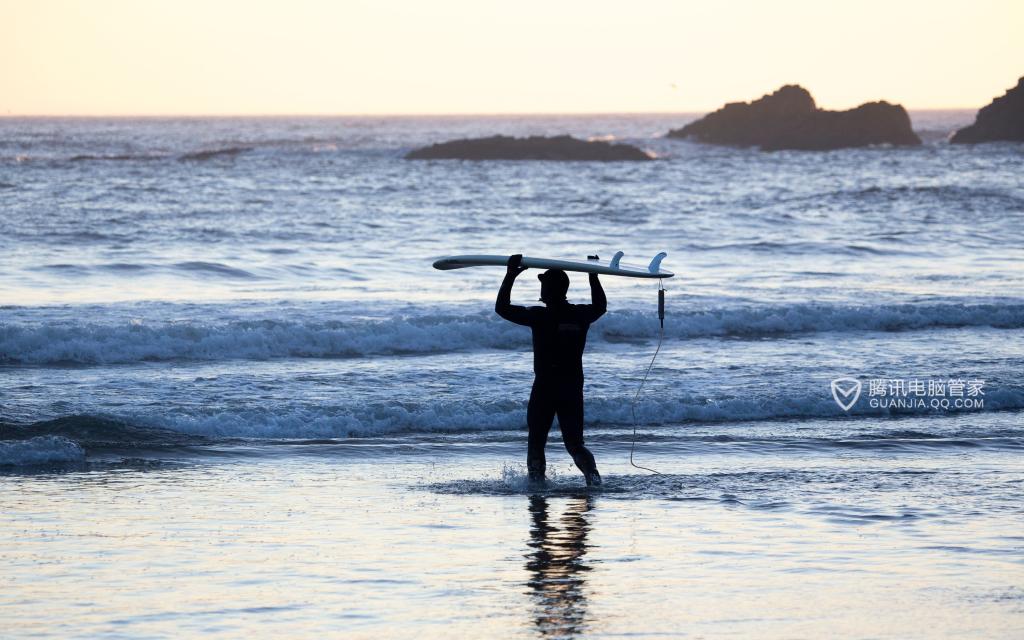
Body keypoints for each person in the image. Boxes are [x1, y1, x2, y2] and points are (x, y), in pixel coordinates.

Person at [495, 254, 606, 486]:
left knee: (536, 440)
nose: (541, 289)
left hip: (545, 386)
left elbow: (502, 308)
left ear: (548, 290)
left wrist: (510, 275)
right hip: (571, 385)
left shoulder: (539, 316)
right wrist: (593, 275)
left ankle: (537, 488)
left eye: (543, 284)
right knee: (575, 444)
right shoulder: (580, 315)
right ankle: (594, 481)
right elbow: (600, 306)